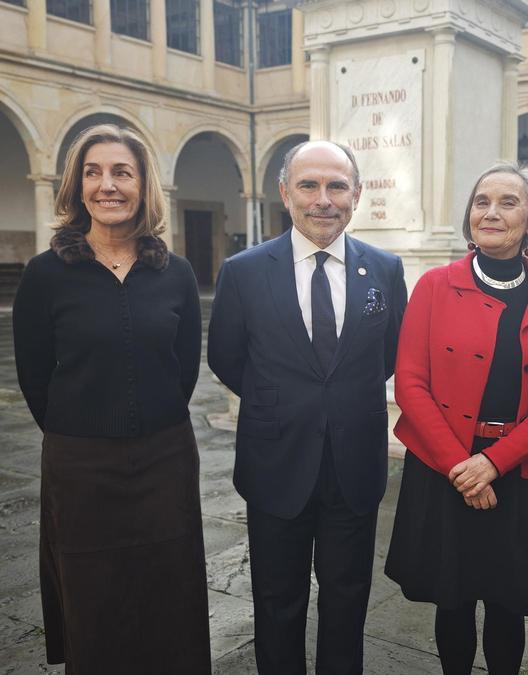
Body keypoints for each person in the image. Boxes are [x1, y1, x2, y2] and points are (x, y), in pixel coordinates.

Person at [12, 123, 210, 673]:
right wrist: (78, 429)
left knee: (171, 586)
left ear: (144, 185)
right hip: (81, 463)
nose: (108, 185)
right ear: (77, 188)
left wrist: (151, 418)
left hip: (165, 458)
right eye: (93, 173)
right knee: (92, 588)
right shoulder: (46, 275)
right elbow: (34, 374)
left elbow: (183, 369)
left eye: (122, 172)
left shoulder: (175, 274)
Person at [207, 140, 407, 674]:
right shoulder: (244, 271)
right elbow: (227, 356)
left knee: (348, 599)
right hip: (276, 461)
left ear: (357, 195)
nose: (324, 200)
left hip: (355, 464)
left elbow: (389, 354)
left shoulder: (384, 271)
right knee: (277, 598)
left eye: (337, 186)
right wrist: (284, 403)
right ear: (285, 193)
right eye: (309, 185)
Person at [385, 163, 528, 675]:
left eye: (508, 202)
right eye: (481, 201)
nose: (490, 212)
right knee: (451, 597)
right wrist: (461, 465)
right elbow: (410, 383)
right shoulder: (434, 285)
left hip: (520, 469)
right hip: (444, 466)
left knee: (508, 598)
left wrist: (493, 463)